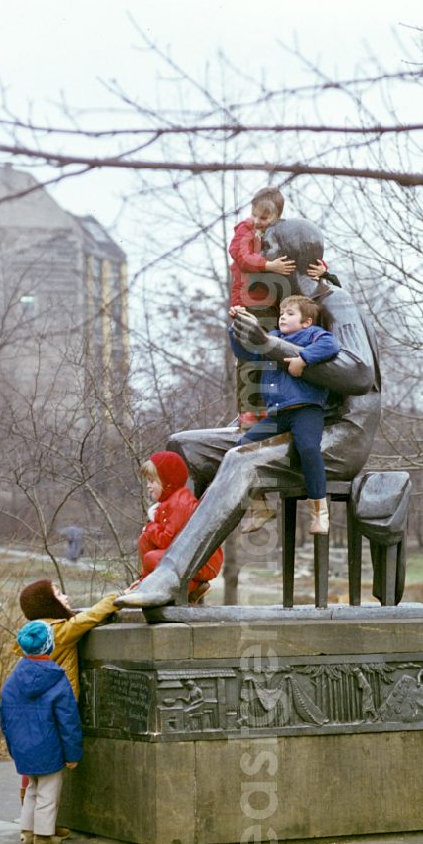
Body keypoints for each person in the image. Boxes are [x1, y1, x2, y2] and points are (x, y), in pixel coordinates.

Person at [119, 217, 380, 610]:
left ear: (292, 259)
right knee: (183, 449)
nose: (259, 257)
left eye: (269, 248)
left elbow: (360, 373)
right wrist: (247, 339)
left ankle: (171, 576)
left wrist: (276, 348)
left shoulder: (334, 303)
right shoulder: (283, 309)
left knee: (242, 461)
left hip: (338, 433)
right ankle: (182, 566)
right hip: (290, 418)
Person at [228, 188, 339, 428]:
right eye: (255, 215)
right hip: (249, 300)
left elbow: (302, 251)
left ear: (277, 215)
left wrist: (323, 269)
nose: (258, 221)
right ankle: (248, 409)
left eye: (265, 218)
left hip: (272, 301)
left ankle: (273, 403)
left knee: (273, 350)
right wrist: (268, 264)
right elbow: (240, 255)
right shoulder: (246, 229)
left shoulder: (278, 231)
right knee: (251, 350)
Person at [229, 294, 340, 534]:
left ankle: (319, 512)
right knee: (241, 449)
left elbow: (331, 345)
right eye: (281, 313)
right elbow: (247, 353)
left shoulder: (313, 336)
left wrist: (304, 358)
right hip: (278, 414)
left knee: (309, 448)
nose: (283, 318)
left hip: (306, 409)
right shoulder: (272, 339)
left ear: (306, 322)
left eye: (290, 314)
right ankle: (260, 507)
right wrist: (236, 327)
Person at [13, 580, 119, 827]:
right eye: (58, 594)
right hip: (57, 709)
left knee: (33, 778)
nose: (66, 596)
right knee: (49, 781)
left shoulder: (34, 633)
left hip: (34, 715)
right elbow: (88, 618)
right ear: (47, 604)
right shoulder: (58, 633)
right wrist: (117, 597)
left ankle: (28, 829)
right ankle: (43, 832)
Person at [0, 620, 82, 844]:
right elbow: (68, 719)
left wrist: (13, 748)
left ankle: (27, 832)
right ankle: (44, 836)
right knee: (48, 792)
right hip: (50, 748)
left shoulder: (13, 680)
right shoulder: (57, 678)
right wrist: (72, 753)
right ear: (49, 646)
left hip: (23, 748)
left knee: (32, 790)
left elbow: (5, 718)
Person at [136, 450, 222, 603]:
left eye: (152, 481)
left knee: (152, 557)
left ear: (167, 481)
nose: (148, 486)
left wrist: (150, 527)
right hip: (187, 556)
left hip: (203, 561)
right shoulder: (169, 501)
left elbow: (166, 541)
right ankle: (146, 582)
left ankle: (188, 587)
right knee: (144, 540)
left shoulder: (180, 504)